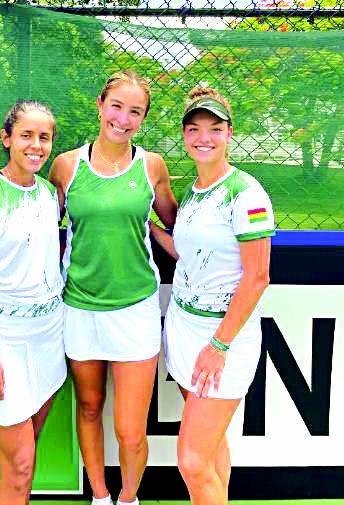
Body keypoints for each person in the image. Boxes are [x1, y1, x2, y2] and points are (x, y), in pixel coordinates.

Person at [49, 69, 177, 505]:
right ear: (101, 105)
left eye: (135, 111)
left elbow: (173, 223)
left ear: (142, 119)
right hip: (79, 307)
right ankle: (100, 497)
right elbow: (47, 228)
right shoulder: (66, 165)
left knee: (128, 427)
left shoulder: (152, 166)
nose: (123, 118)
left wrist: (157, 233)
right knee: (88, 407)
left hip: (135, 309)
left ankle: (128, 498)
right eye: (117, 106)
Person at [151, 87, 275, 505]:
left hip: (223, 338)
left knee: (191, 460)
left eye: (215, 129)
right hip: (184, 326)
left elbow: (257, 277)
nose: (204, 137)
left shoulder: (246, 192)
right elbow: (186, 252)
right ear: (184, 135)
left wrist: (219, 345)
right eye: (194, 129)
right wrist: (146, 227)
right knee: (212, 449)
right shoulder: (194, 191)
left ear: (229, 133)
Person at [0, 100, 66, 505]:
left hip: (47, 337)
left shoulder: (49, 195)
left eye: (44, 137)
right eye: (26, 135)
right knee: (20, 467)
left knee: (26, 454)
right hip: (3, 342)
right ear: (6, 139)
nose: (36, 145)